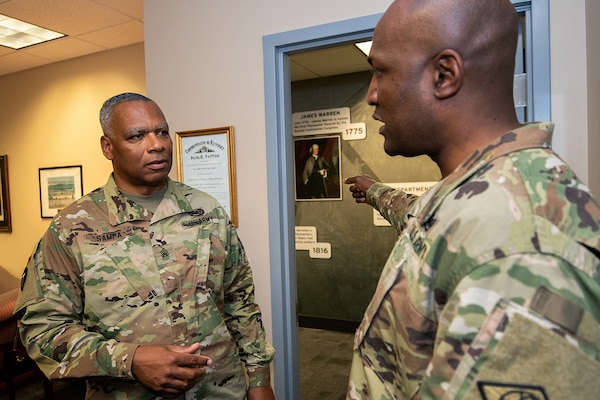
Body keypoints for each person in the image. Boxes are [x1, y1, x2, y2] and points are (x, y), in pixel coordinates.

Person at [344, 0, 600, 399]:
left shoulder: (517, 249)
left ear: (444, 75)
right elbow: (424, 220)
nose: (372, 95)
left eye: (380, 72)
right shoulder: (481, 194)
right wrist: (374, 190)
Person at [14, 92, 275, 399]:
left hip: (222, 390)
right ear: (108, 147)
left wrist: (259, 380)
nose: (156, 144)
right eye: (137, 135)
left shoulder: (206, 210)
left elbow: (239, 300)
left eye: (162, 131)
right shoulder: (71, 227)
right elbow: (42, 329)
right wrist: (131, 360)